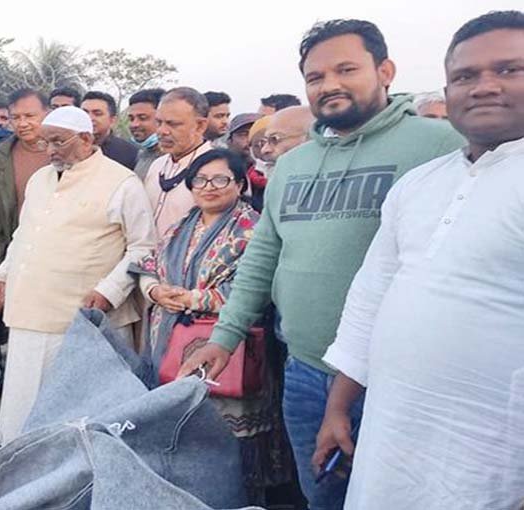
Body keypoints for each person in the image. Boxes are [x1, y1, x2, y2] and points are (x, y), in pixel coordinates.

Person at [178, 19, 465, 510]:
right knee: (322, 494)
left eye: (346, 69)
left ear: (386, 70)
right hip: (306, 369)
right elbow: (263, 257)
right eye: (315, 77)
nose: (329, 84)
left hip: (401, 377)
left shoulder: (441, 146)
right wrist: (224, 337)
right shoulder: (291, 165)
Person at [314, 11, 524, 509]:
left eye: (509, 70)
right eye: (465, 76)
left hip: (494, 454)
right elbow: (370, 300)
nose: (484, 87)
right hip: (393, 434)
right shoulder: (421, 184)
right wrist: (337, 407)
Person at [0, 106, 156, 444]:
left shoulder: (121, 182)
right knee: (23, 407)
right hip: (29, 311)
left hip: (83, 317)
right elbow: (24, 236)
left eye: (58, 142)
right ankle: (19, 469)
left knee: (79, 416)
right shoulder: (41, 179)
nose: (49, 151)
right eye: (45, 142)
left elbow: (143, 248)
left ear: (87, 139)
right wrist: (1, 277)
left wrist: (110, 291)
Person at [136, 149, 291, 504]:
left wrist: (194, 299)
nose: (209, 187)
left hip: (229, 347)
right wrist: (156, 290)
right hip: (172, 338)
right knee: (182, 431)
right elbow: (149, 265)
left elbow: (255, 287)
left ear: (240, 184)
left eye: (221, 179)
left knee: (229, 438)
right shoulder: (180, 226)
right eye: (200, 180)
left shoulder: (252, 227)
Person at [0, 88, 50, 277]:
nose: (22, 123)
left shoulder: (68, 154)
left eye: (30, 116)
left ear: (47, 113)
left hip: (59, 257)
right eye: (16, 117)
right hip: (15, 257)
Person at [144, 87, 213, 239]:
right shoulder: (157, 165)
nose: (162, 131)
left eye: (172, 124)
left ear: (200, 126)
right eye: (159, 122)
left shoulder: (216, 170)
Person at [81, 91, 138, 170]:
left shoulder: (129, 153)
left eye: (97, 114)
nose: (89, 118)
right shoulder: (68, 148)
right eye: (84, 113)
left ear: (112, 120)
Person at [127, 88, 165, 180]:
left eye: (143, 118)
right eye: (131, 119)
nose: (134, 124)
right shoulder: (141, 155)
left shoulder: (177, 159)